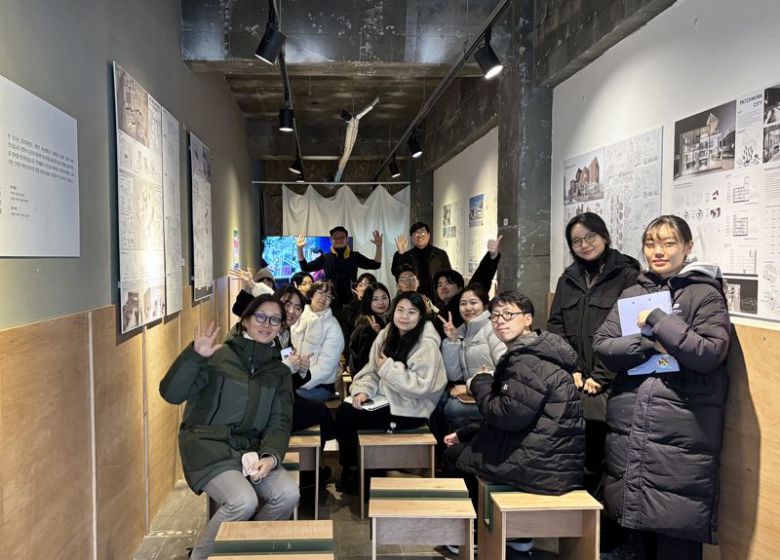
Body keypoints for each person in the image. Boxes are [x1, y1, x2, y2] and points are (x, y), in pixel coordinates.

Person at [592, 215, 731, 560]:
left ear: (688, 247)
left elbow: (708, 353)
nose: (659, 251)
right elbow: (603, 344)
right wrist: (647, 344)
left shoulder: (704, 294)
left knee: (674, 527)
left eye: (669, 243)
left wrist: (658, 320)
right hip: (631, 428)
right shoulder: (633, 292)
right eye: (651, 244)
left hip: (680, 431)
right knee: (636, 534)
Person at [443, 291, 585, 554]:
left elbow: (505, 416)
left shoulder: (527, 361)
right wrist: (468, 433)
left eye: (508, 314)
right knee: (464, 444)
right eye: (495, 316)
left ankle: (477, 533)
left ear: (528, 319)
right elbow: (520, 416)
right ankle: (516, 536)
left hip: (542, 467)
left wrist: (480, 382)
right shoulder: (536, 351)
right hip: (548, 458)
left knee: (455, 456)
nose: (500, 321)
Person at [159, 295, 299, 560]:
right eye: (260, 316)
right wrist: (194, 357)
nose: (266, 324)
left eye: (275, 320)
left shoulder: (279, 372)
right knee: (242, 501)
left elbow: (280, 422)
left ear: (282, 327)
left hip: (250, 450)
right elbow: (171, 394)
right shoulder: (217, 356)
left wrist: (270, 457)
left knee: (288, 495)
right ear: (245, 320)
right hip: (207, 446)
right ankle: (199, 557)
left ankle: (243, 550)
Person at [547, 214, 640, 499]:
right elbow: (556, 325)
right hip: (578, 379)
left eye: (590, 237)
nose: (584, 245)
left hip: (615, 382)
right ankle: (580, 514)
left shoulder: (628, 276)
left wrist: (601, 375)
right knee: (578, 452)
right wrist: (571, 367)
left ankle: (603, 521)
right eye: (576, 241)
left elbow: (631, 331)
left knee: (607, 458)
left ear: (605, 237)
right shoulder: (568, 279)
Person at [336, 291, 447, 492]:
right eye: (400, 310)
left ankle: (358, 471)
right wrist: (364, 391)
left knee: (349, 415)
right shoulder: (386, 334)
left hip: (412, 408)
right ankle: (357, 469)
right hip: (384, 400)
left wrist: (388, 369)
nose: (404, 316)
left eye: (411, 312)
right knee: (348, 408)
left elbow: (422, 387)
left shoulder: (427, 344)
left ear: (421, 316)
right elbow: (371, 370)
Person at [437, 285, 506, 431]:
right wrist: (452, 341)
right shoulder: (463, 331)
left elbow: (505, 370)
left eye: (473, 302)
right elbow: (454, 375)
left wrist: (469, 387)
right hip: (477, 391)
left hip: (496, 393)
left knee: (453, 408)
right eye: (463, 303)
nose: (468, 308)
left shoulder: (493, 328)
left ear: (485, 305)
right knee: (437, 399)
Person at [297, 226, 383, 310]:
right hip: (330, 302)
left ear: (347, 239)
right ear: (331, 239)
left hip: (352, 302)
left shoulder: (355, 256)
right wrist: (299, 249)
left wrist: (379, 247)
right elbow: (305, 267)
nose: (339, 240)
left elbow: (376, 265)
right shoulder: (326, 258)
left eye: (342, 237)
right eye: (336, 238)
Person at [433, 236, 502, 336]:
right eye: (439, 285)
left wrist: (491, 258)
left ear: (460, 288)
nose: (443, 287)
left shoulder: (458, 305)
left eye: (448, 283)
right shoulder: (439, 310)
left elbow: (480, 280)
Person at [289, 280, 345, 402]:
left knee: (288, 400)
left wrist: (298, 382)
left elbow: (325, 368)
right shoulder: (298, 316)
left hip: (319, 386)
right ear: (311, 294)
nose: (324, 298)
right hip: (294, 378)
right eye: (320, 292)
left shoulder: (333, 327)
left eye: (329, 296)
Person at [391, 221, 450, 302]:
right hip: (413, 299)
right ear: (412, 237)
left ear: (428, 235)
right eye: (416, 232)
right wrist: (400, 253)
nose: (419, 235)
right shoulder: (407, 255)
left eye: (422, 231)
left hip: (437, 299)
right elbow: (395, 272)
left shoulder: (440, 254)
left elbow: (449, 276)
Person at [348, 282, 391, 374]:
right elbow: (363, 361)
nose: (381, 302)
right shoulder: (368, 325)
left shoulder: (387, 321)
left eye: (384, 298)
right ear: (368, 301)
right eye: (375, 299)